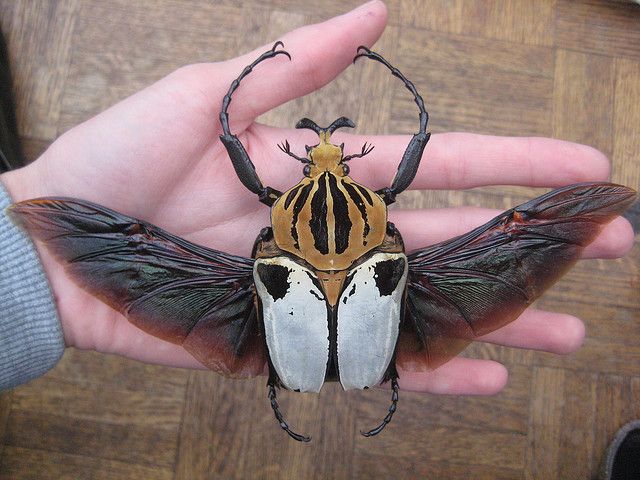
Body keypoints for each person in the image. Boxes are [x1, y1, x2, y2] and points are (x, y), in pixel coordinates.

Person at [0, 2, 637, 475]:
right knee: (521, 237)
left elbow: (134, 251)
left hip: (298, 336)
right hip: (349, 331)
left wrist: (38, 240)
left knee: (130, 245)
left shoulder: (272, 219)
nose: (328, 158)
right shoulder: (377, 219)